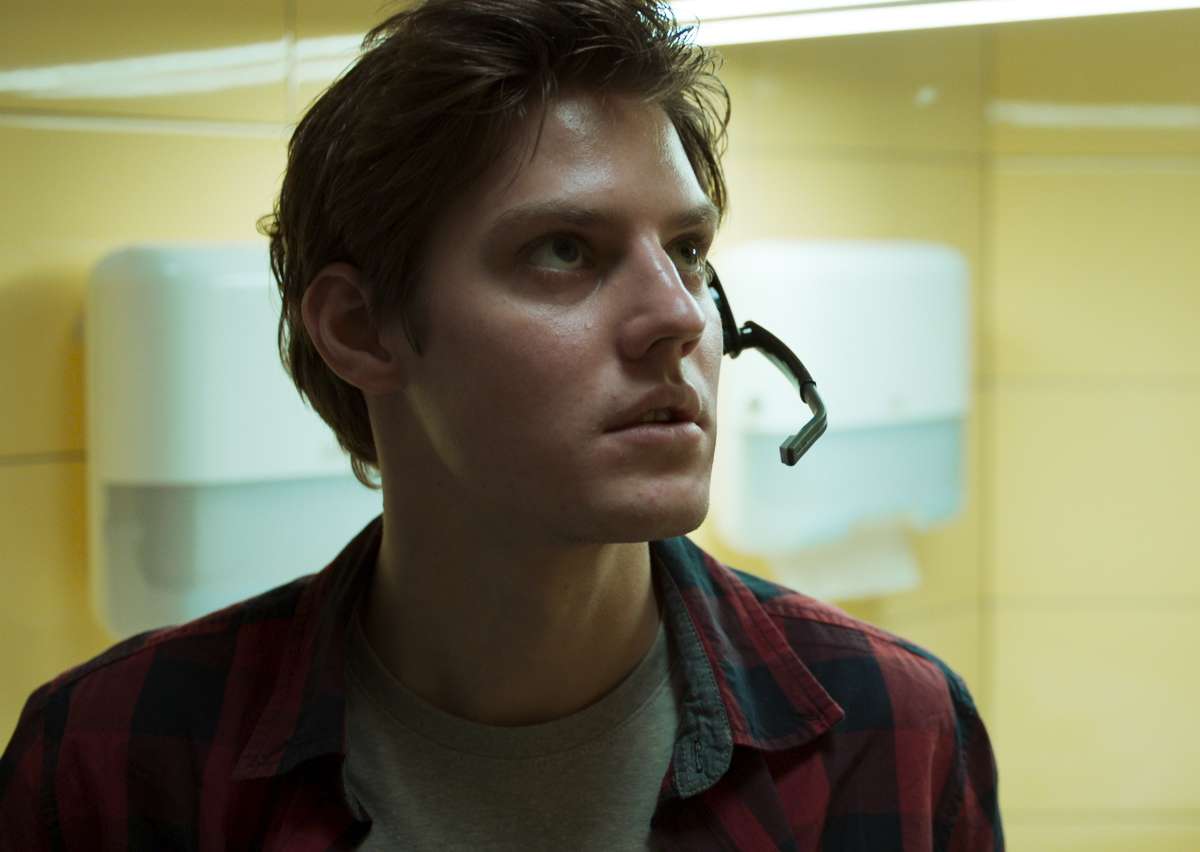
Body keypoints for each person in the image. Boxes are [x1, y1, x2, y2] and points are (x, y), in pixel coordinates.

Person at [0, 1, 1004, 849]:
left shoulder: (891, 731)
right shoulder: (114, 761)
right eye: (564, 250)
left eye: (689, 250)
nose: (680, 317)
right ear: (362, 329)